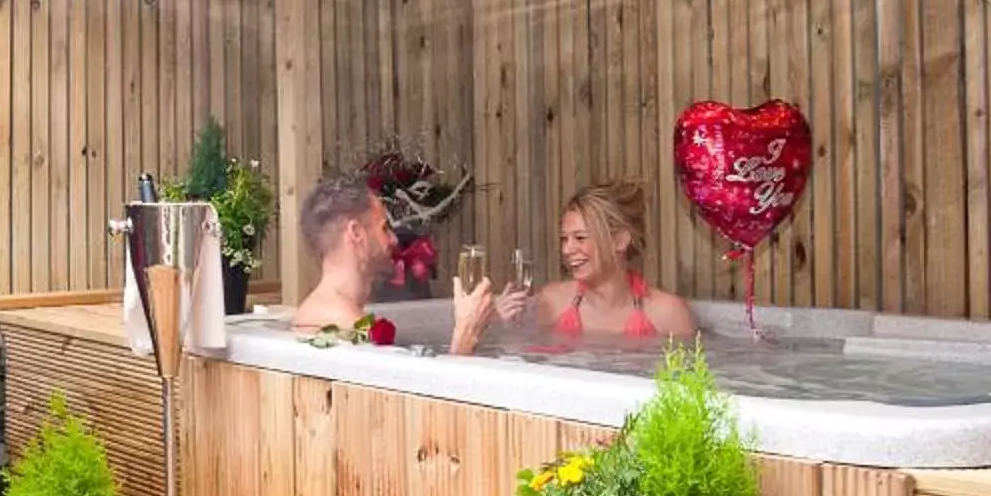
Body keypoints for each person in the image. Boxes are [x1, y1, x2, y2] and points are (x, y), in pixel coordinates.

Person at [285, 173, 495, 353]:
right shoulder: (350, 330)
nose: (394, 239)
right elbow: (417, 400)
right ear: (356, 233)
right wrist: (465, 335)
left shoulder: (314, 314)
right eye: (384, 228)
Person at [496, 180, 698, 343]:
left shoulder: (668, 313)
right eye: (564, 239)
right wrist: (506, 325)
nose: (566, 249)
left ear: (619, 241)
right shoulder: (553, 302)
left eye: (580, 238)